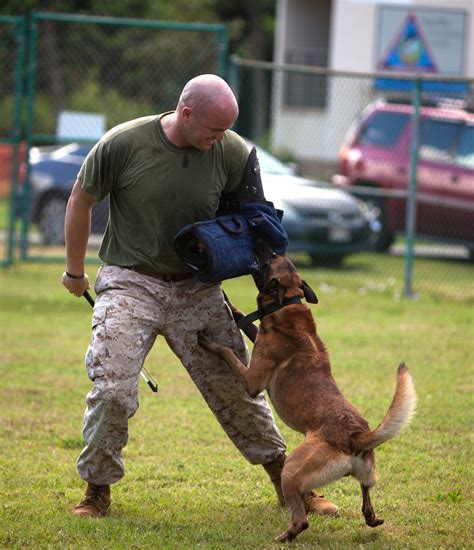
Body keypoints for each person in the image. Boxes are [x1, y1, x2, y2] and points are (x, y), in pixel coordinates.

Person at [62, 74, 338, 519]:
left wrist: (278, 295)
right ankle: (97, 489)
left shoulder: (233, 152)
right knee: (112, 387)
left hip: (197, 289)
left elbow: (255, 224)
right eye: (213, 129)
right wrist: (75, 271)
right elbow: (80, 201)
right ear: (185, 113)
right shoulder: (123, 143)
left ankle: (290, 484)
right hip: (132, 279)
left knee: (240, 389)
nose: (220, 138)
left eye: (227, 129)